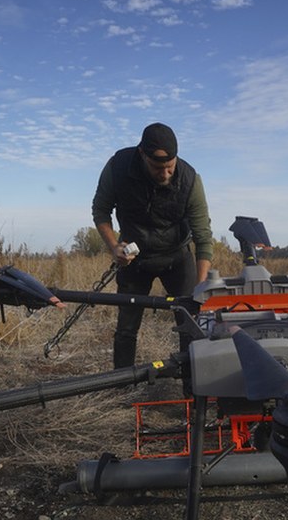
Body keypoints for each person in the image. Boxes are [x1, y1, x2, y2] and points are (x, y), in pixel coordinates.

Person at [91, 122, 213, 368]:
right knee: (126, 327)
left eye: (170, 166)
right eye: (158, 167)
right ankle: (122, 385)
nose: (166, 174)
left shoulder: (190, 180)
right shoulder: (118, 167)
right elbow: (101, 210)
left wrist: (199, 289)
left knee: (191, 322)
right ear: (142, 154)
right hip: (135, 261)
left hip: (177, 258)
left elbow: (203, 237)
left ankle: (192, 386)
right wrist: (115, 247)